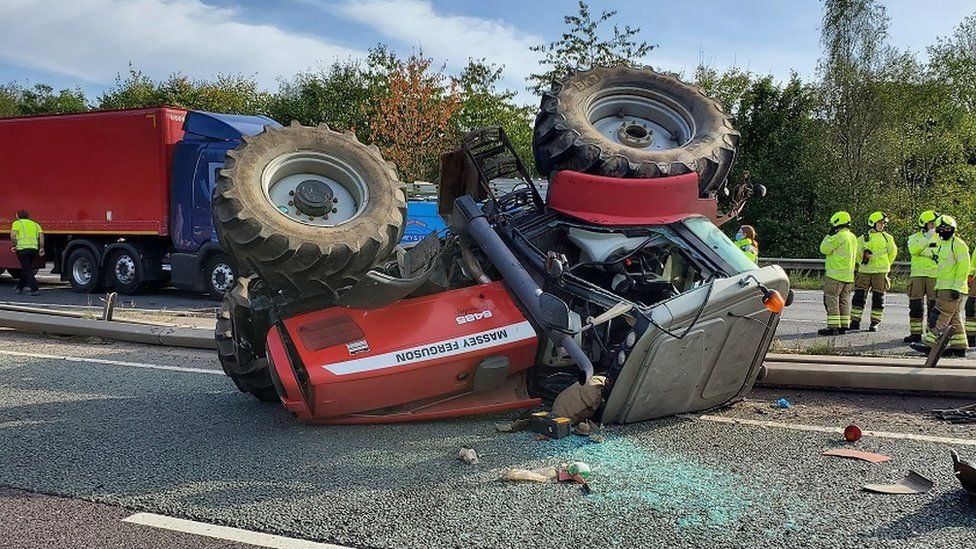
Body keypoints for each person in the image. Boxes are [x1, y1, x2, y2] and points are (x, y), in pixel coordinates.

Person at [910, 215, 969, 357]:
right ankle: (960, 347)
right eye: (941, 229)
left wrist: (956, 287)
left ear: (953, 229)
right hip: (944, 287)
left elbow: (964, 268)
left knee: (940, 315)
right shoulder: (943, 245)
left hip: (952, 289)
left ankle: (929, 344)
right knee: (954, 318)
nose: (944, 231)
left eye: (947, 228)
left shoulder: (959, 245)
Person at [850, 211, 897, 332]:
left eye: (883, 223)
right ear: (873, 223)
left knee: (878, 299)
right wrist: (863, 259)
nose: (883, 225)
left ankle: (874, 323)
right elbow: (856, 255)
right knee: (858, 298)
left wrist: (885, 265)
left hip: (881, 273)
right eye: (880, 223)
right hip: (865, 272)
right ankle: (855, 321)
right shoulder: (862, 239)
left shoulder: (888, 238)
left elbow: (892, 254)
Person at [818, 211, 857, 336]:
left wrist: (829, 234)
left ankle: (833, 327)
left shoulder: (839, 237)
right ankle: (844, 326)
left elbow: (823, 249)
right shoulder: (852, 237)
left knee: (832, 299)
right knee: (844, 300)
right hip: (848, 276)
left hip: (835, 275)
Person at [904, 210, 940, 343]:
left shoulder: (940, 237)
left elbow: (939, 252)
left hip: (934, 276)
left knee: (934, 307)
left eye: (934, 223)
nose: (933, 226)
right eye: (931, 223)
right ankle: (915, 334)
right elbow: (914, 250)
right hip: (917, 276)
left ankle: (931, 334)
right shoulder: (914, 237)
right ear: (924, 224)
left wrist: (924, 251)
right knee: (915, 306)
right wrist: (927, 240)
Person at [9, 210, 44, 296]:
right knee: (27, 268)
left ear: (18, 216)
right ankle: (19, 287)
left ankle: (34, 289)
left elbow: (13, 235)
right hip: (33, 249)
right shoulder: (35, 224)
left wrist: (14, 245)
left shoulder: (17, 223)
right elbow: (41, 236)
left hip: (22, 249)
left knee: (27, 269)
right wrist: (41, 248)